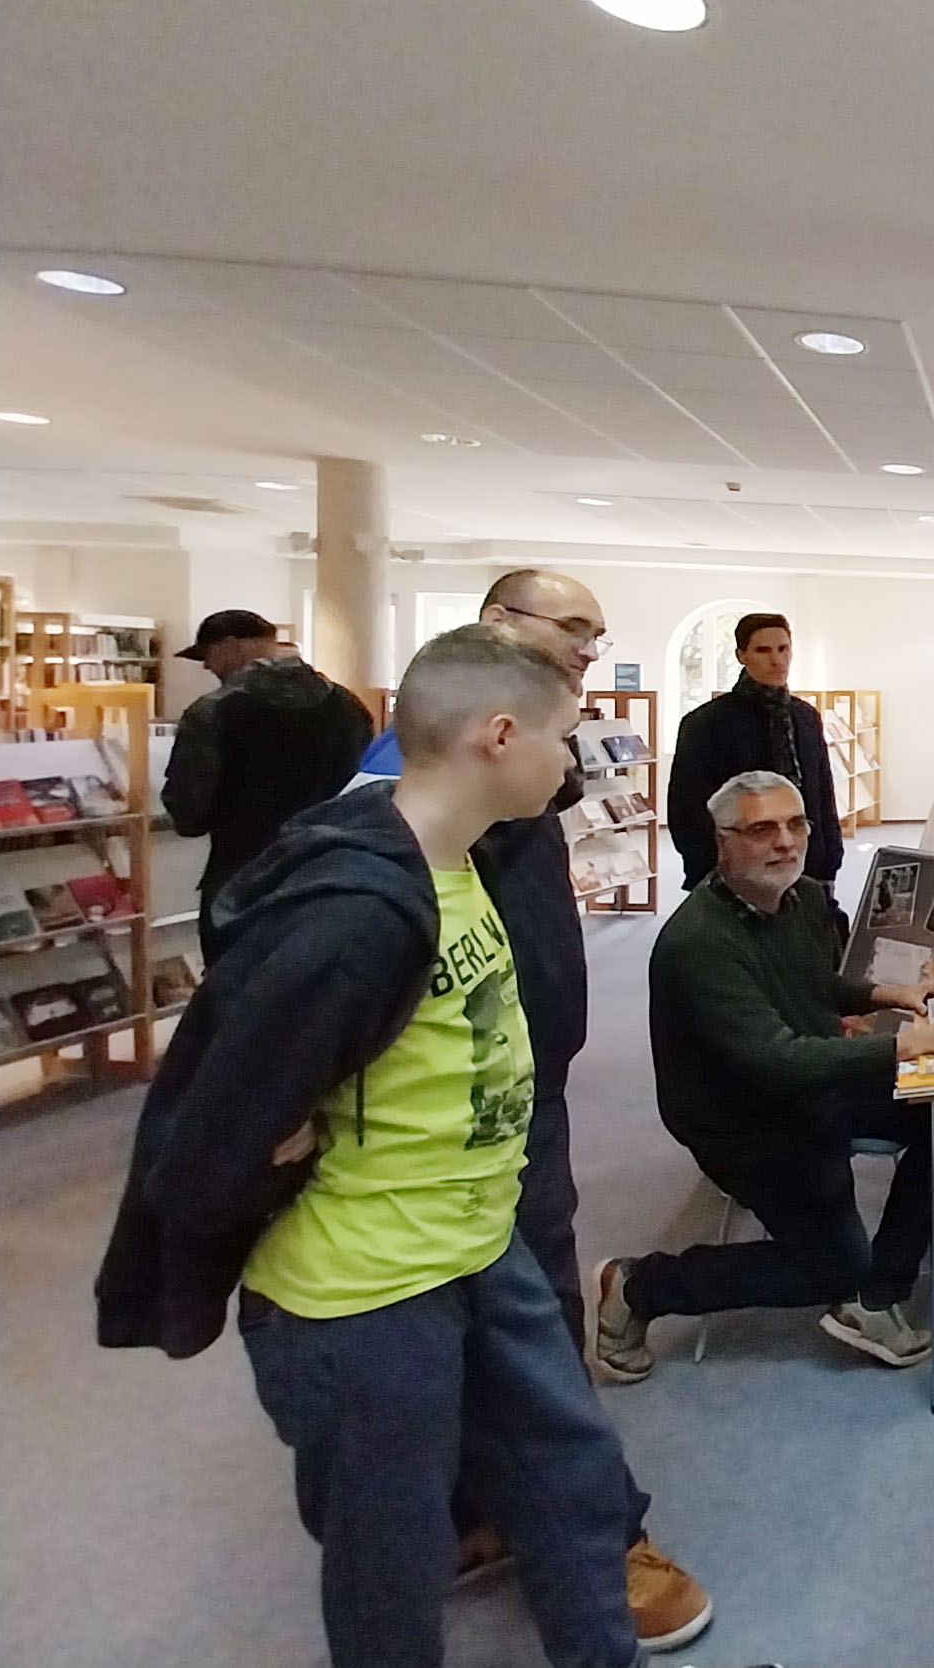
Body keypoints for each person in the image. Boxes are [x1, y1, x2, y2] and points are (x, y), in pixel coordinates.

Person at [94, 627, 643, 1668]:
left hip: (477, 1251)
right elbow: (215, 1118)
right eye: (562, 739)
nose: (572, 763)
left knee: (573, 1483)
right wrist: (271, 1147)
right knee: (390, 1563)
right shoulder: (355, 913)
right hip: (366, 1293)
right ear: (498, 736)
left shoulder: (463, 858)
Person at [350, 569, 712, 1651]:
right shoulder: (406, 793)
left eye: (600, 637)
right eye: (575, 630)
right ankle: (595, 1537)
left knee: (505, 1323)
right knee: (533, 1332)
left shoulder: (517, 776)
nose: (592, 652)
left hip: (521, 1092)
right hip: (450, 1129)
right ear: (498, 628)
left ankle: (490, 1507)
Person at [589, 771, 934, 1377]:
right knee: (830, 1268)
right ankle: (639, 1285)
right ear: (723, 843)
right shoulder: (700, 943)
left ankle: (876, 1293)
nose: (785, 842)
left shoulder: (800, 899)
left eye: (796, 824)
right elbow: (776, 1059)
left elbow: (815, 984)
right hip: (746, 1122)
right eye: (762, 829)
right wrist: (904, 1046)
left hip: (812, 1082)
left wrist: (886, 994)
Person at [161, 607, 373, 961]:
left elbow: (189, 815)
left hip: (242, 889)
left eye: (208, 655)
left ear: (231, 645)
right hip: (333, 880)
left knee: (238, 987)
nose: (207, 666)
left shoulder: (213, 712)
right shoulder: (349, 705)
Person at [663, 612, 842, 896]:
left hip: (807, 866)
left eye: (783, 649)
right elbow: (687, 809)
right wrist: (712, 869)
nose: (777, 660)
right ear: (741, 655)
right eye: (763, 650)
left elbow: (822, 792)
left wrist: (830, 859)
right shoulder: (706, 723)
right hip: (737, 872)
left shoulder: (805, 717)